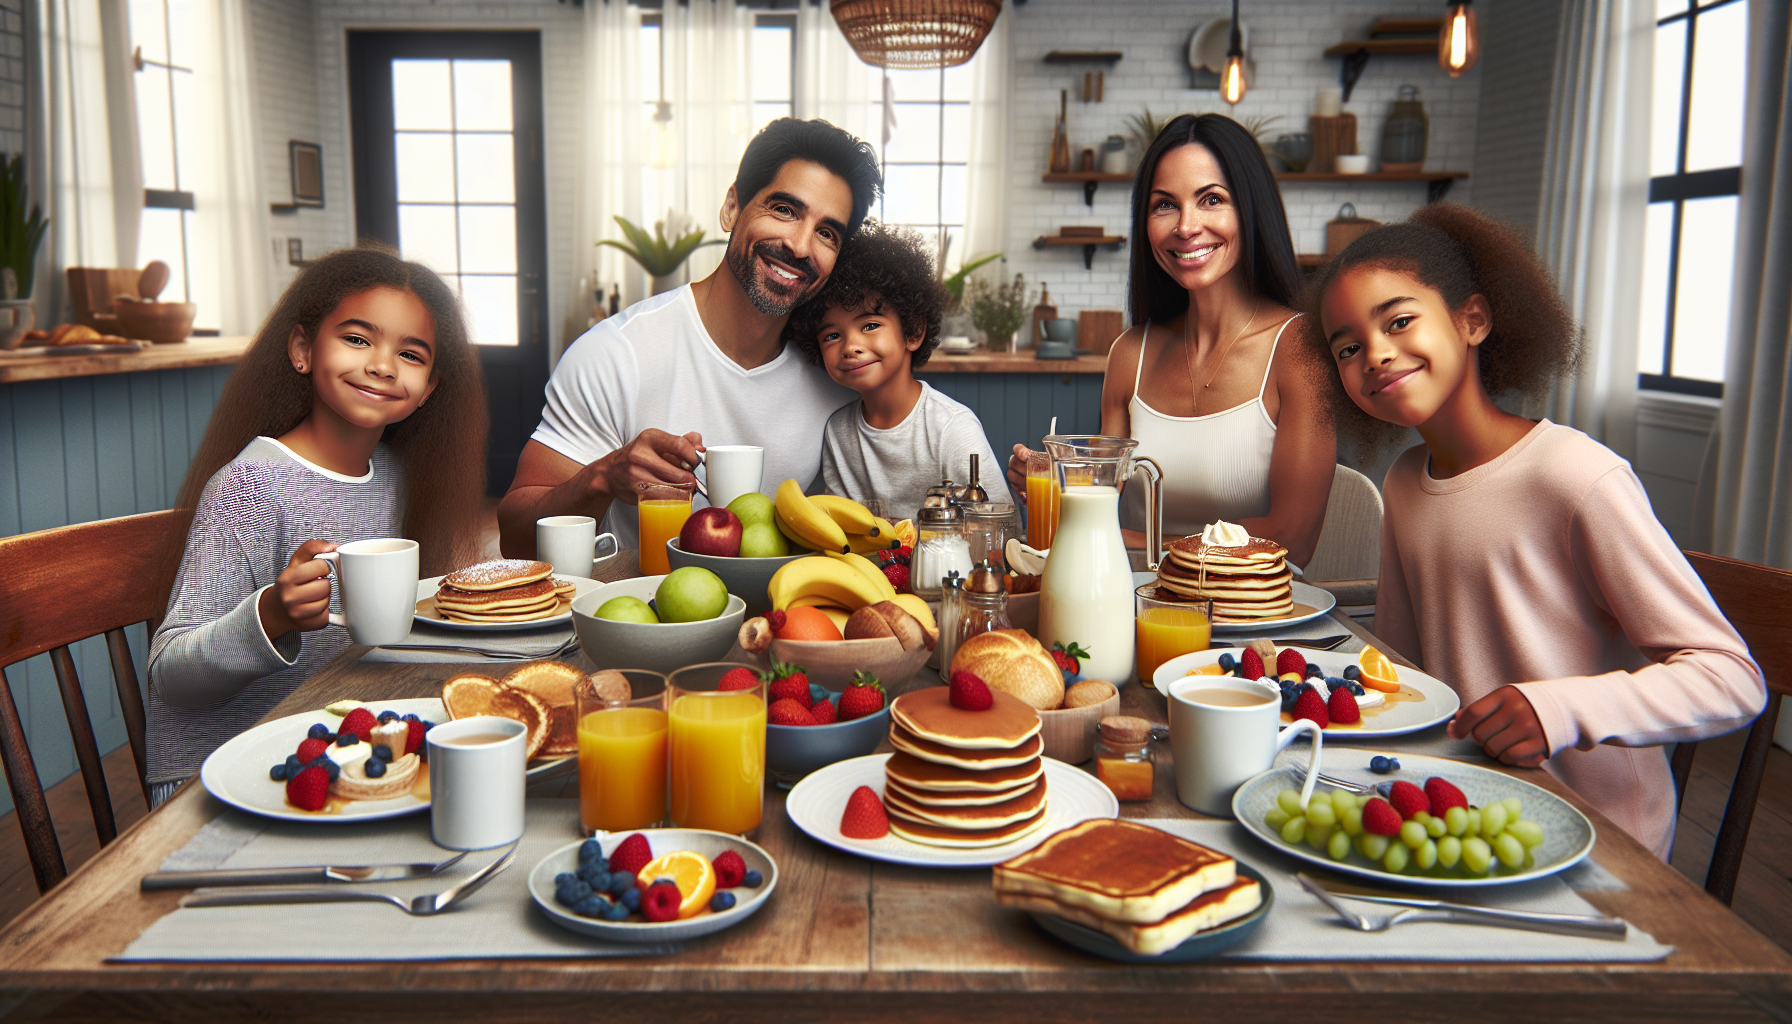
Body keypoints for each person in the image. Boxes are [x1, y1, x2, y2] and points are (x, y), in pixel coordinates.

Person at [1312, 203, 1764, 858]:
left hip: (1601, 839)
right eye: (1348, 347)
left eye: (1400, 320)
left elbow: (1731, 677)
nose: (1376, 354)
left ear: (1473, 319)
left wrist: (1558, 711)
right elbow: (1405, 677)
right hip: (1464, 810)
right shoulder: (1406, 483)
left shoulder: (1575, 475)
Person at [147, 246, 487, 806]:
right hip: (224, 776)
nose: (381, 364)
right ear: (303, 349)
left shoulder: (399, 478)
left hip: (339, 761)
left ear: (428, 389)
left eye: (410, 353)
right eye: (357, 339)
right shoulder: (249, 489)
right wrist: (272, 613)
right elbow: (172, 676)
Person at [497, 118, 881, 558]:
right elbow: (516, 537)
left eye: (827, 233)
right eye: (784, 210)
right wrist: (603, 476)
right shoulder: (615, 354)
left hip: (784, 619)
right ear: (732, 208)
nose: (799, 245)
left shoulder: (839, 374)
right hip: (644, 614)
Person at [1005, 114, 1334, 566]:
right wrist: (1045, 484)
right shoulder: (1130, 354)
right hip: (1138, 611)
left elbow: (1290, 537)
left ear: (1251, 208)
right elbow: (1096, 499)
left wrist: (1135, 540)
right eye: (1164, 205)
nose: (1186, 226)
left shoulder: (1300, 349)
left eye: (1211, 199)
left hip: (1256, 625)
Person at [784, 221, 1011, 515]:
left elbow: (1000, 527)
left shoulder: (952, 429)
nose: (850, 346)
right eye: (832, 335)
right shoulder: (838, 433)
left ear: (913, 332)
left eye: (870, 325)